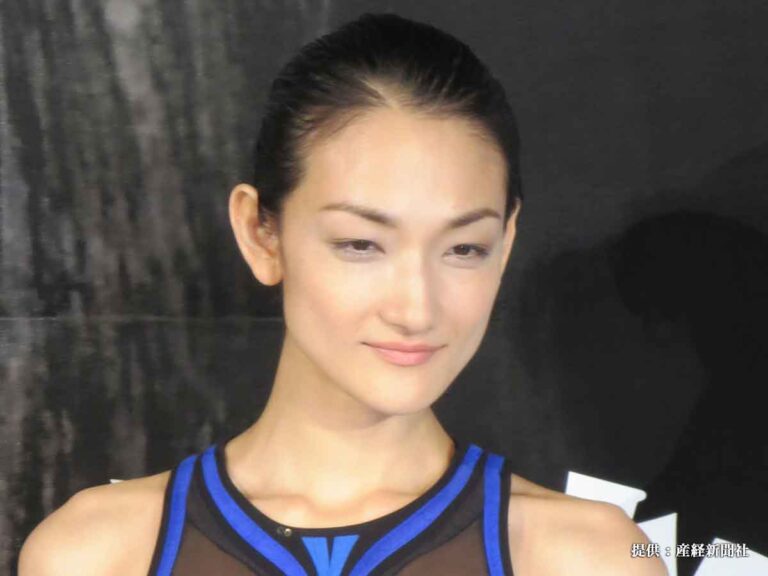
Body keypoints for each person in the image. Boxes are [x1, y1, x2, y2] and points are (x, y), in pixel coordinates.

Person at [18, 12, 666, 576]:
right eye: (361, 244)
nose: (416, 309)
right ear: (261, 234)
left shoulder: (590, 559)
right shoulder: (97, 555)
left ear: (507, 242)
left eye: (464, 249)